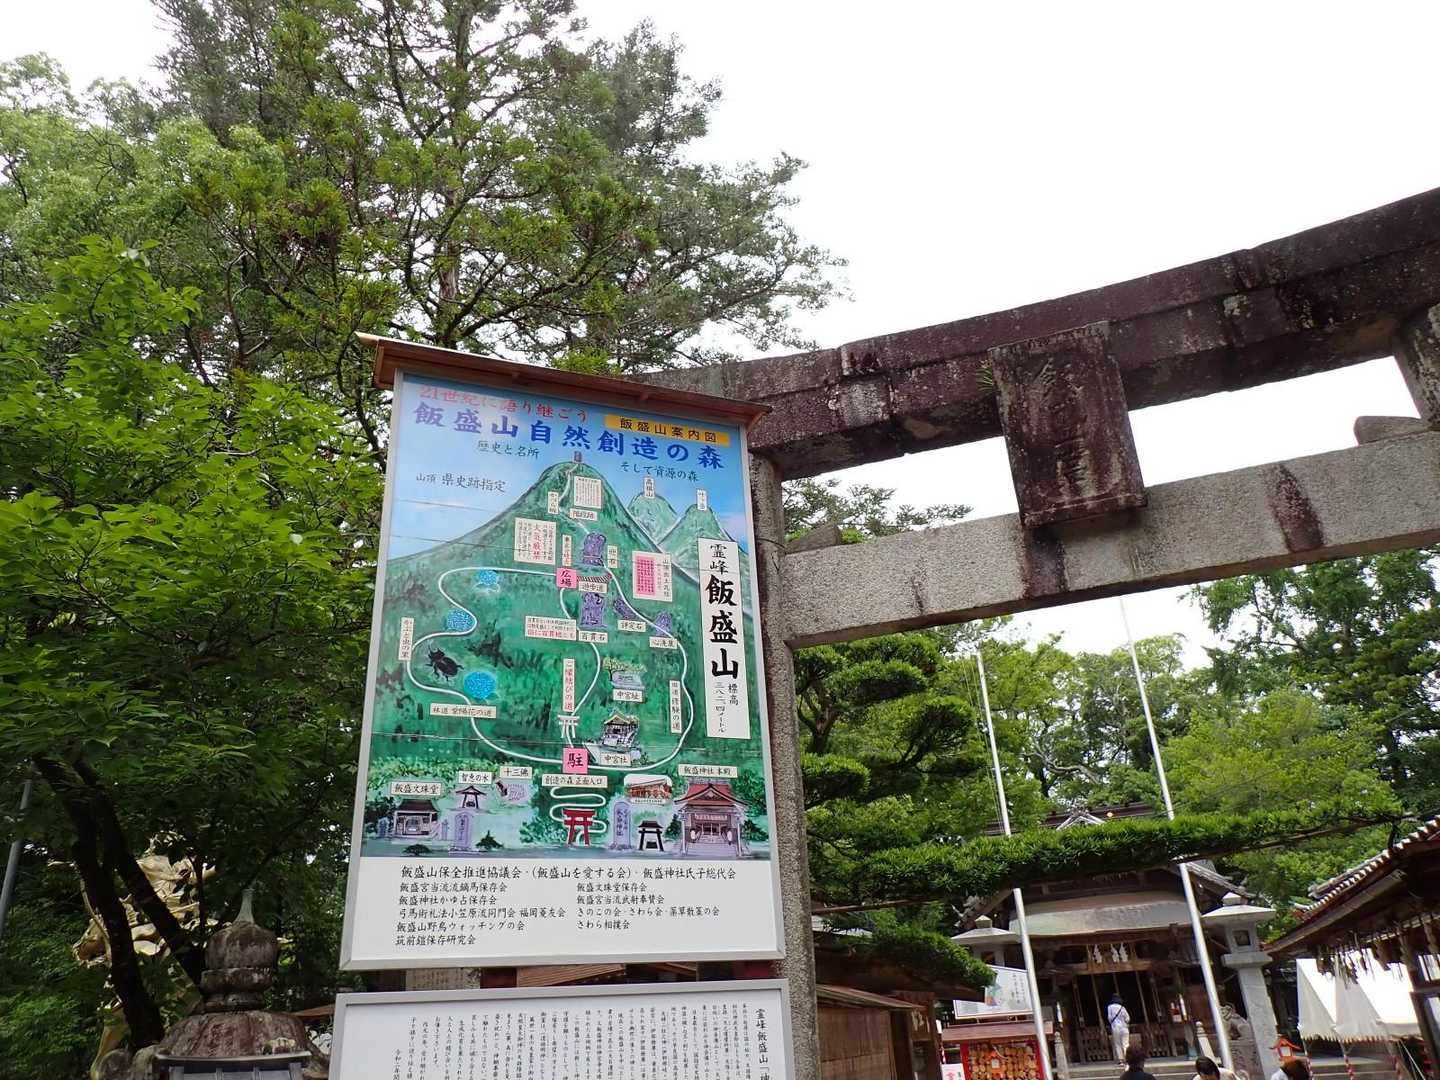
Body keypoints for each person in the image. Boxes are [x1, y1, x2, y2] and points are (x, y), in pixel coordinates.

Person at [1106, 993, 1131, 1064]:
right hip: (1124, 1027)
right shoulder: (1122, 1008)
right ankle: (1128, 1059)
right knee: (1126, 1044)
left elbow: (1110, 1018)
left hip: (1115, 1027)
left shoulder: (1110, 1007)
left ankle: (1121, 1060)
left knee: (1117, 1044)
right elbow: (1128, 1018)